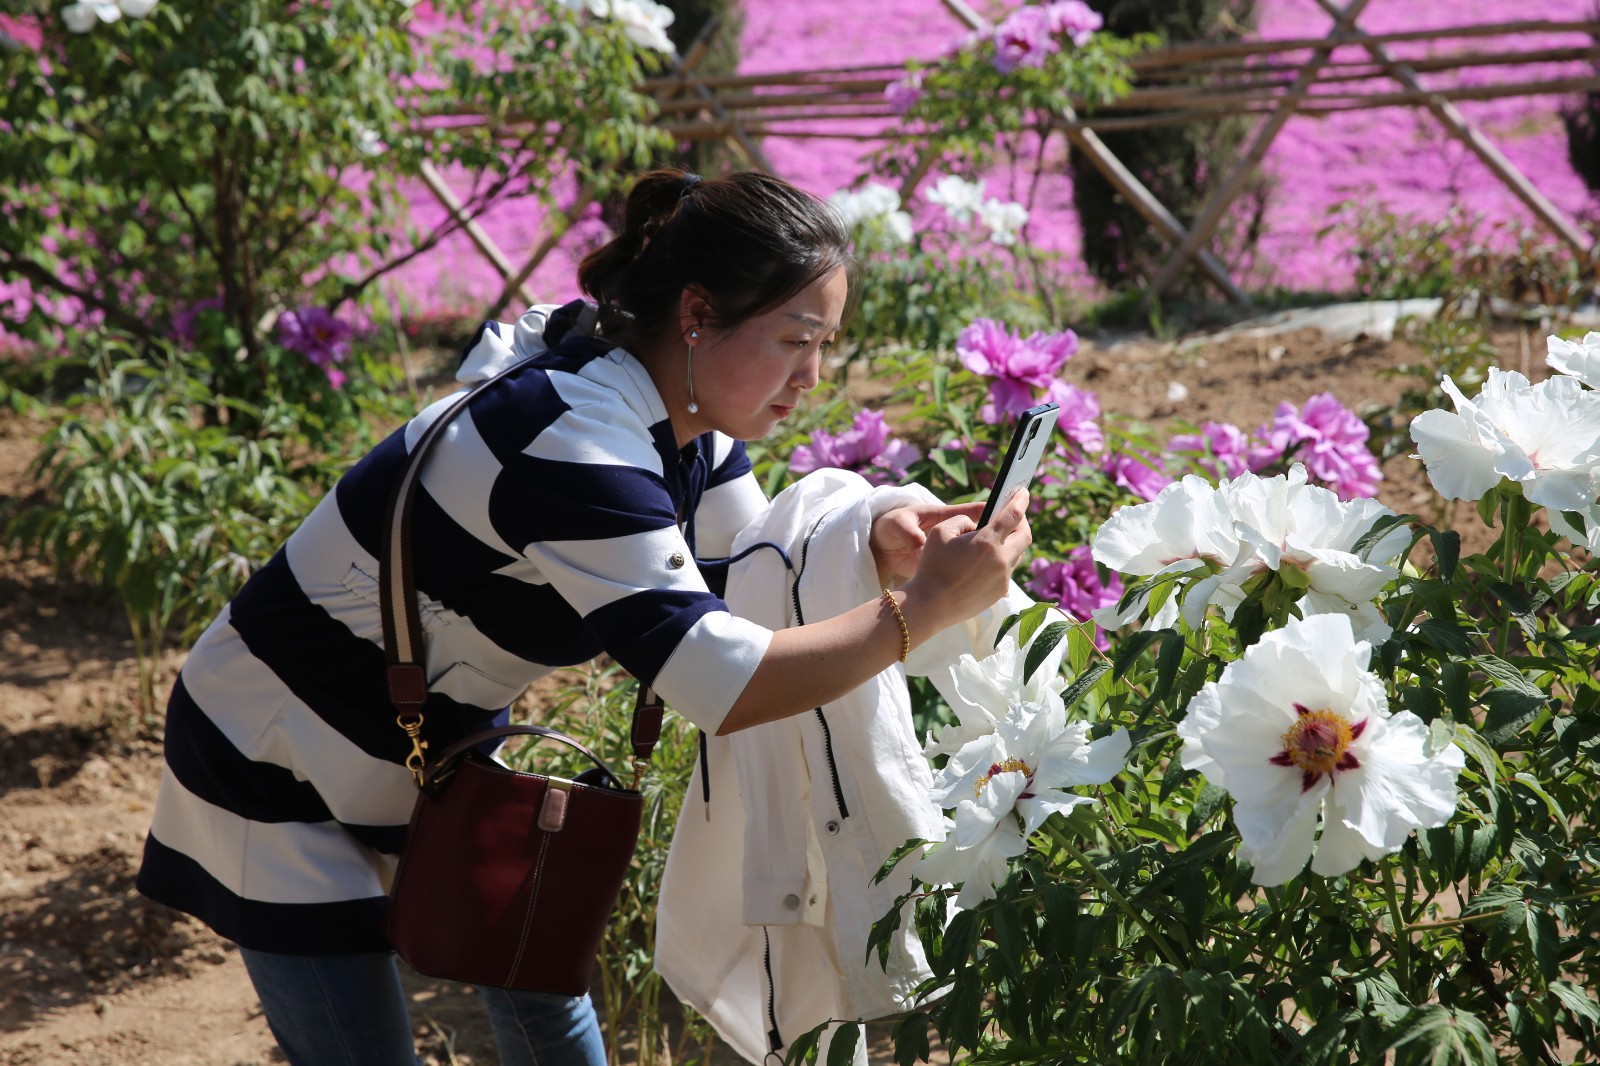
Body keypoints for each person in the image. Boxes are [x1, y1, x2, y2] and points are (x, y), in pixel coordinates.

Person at [135, 168, 1032, 1066]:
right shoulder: (571, 440)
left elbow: (743, 572)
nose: (814, 375)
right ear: (695, 313)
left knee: (541, 991)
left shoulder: (684, 425)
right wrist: (923, 608)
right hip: (277, 751)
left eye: (827, 343)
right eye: (796, 340)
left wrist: (875, 542)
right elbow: (726, 680)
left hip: (433, 750)